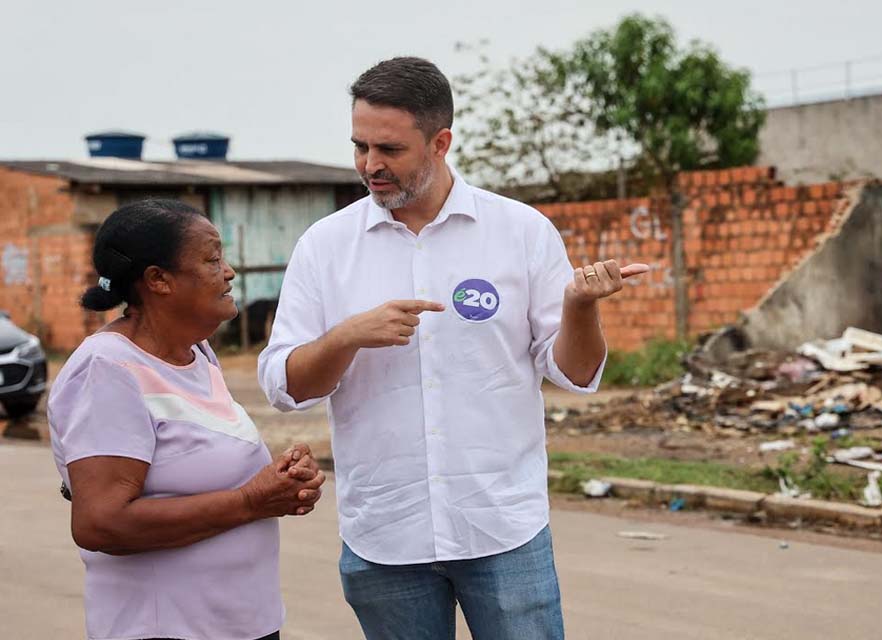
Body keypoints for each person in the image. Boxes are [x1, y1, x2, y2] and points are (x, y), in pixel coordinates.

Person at [258, 57, 647, 640]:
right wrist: (345, 338)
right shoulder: (325, 247)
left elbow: (574, 373)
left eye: (389, 149)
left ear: (441, 142)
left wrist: (580, 307)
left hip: (501, 527)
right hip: (384, 534)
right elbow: (283, 386)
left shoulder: (520, 231)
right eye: (360, 146)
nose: (370, 165)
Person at [47, 199, 326, 640]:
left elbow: (199, 461)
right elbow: (100, 521)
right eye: (212, 259)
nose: (229, 271)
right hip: (166, 628)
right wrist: (251, 501)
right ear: (158, 280)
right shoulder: (108, 369)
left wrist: (281, 480)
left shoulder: (196, 354)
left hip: (240, 622)